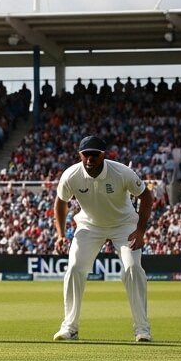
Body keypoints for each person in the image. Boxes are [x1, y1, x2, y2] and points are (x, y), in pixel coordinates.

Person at [52, 135, 153, 342]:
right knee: (74, 268)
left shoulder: (122, 172)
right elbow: (61, 202)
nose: (90, 158)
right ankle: (70, 327)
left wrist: (140, 231)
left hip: (123, 225)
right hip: (89, 225)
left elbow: (146, 196)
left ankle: (142, 329)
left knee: (133, 268)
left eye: (94, 154)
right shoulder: (71, 175)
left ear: (103, 155)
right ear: (80, 155)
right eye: (86, 154)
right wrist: (60, 235)